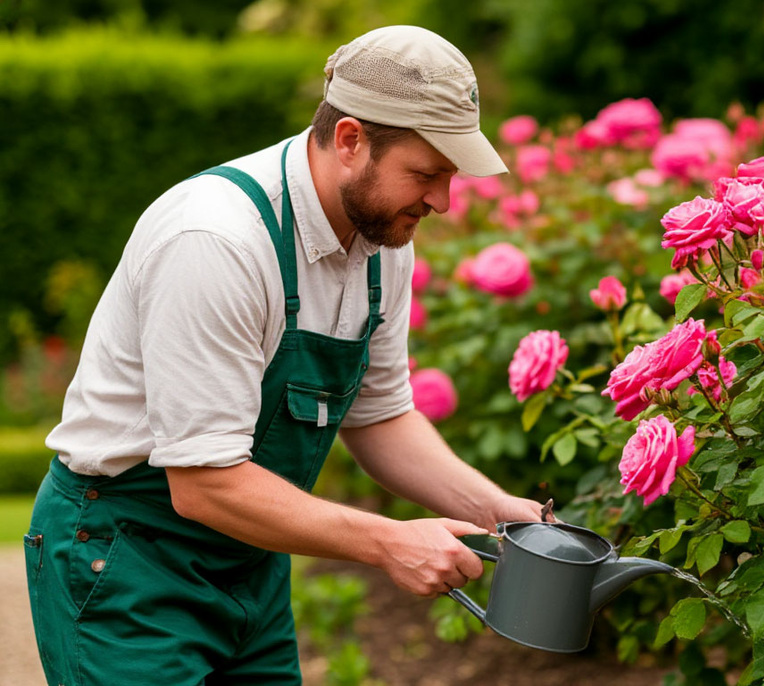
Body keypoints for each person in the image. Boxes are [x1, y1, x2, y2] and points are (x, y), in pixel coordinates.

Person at [24, 25, 545, 685]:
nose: (441, 201)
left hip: (250, 558)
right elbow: (204, 483)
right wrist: (389, 541)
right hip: (125, 558)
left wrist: (496, 512)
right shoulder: (216, 241)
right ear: (350, 140)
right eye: (426, 174)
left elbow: (380, 415)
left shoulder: (382, 242)